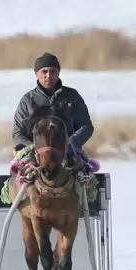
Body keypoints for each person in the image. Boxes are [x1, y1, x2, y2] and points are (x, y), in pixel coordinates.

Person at [11, 52, 97, 183]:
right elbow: (17, 132)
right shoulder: (27, 100)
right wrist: (35, 149)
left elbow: (86, 126)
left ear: (58, 73)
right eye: (44, 71)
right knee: (17, 180)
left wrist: (70, 144)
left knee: (87, 181)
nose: (48, 76)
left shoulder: (72, 96)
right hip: (34, 157)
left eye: (53, 71)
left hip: (69, 155)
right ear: (36, 74)